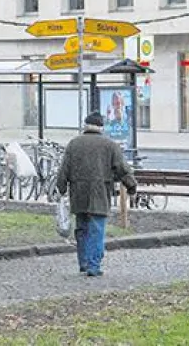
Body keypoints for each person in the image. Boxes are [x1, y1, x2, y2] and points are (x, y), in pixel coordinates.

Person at [56, 110, 138, 277]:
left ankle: (83, 262)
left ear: (85, 126)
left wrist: (62, 187)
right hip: (100, 192)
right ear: (101, 127)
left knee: (82, 228)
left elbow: (64, 169)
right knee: (96, 229)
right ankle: (94, 265)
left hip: (78, 193)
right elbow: (123, 169)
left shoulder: (74, 144)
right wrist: (131, 187)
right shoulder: (109, 145)